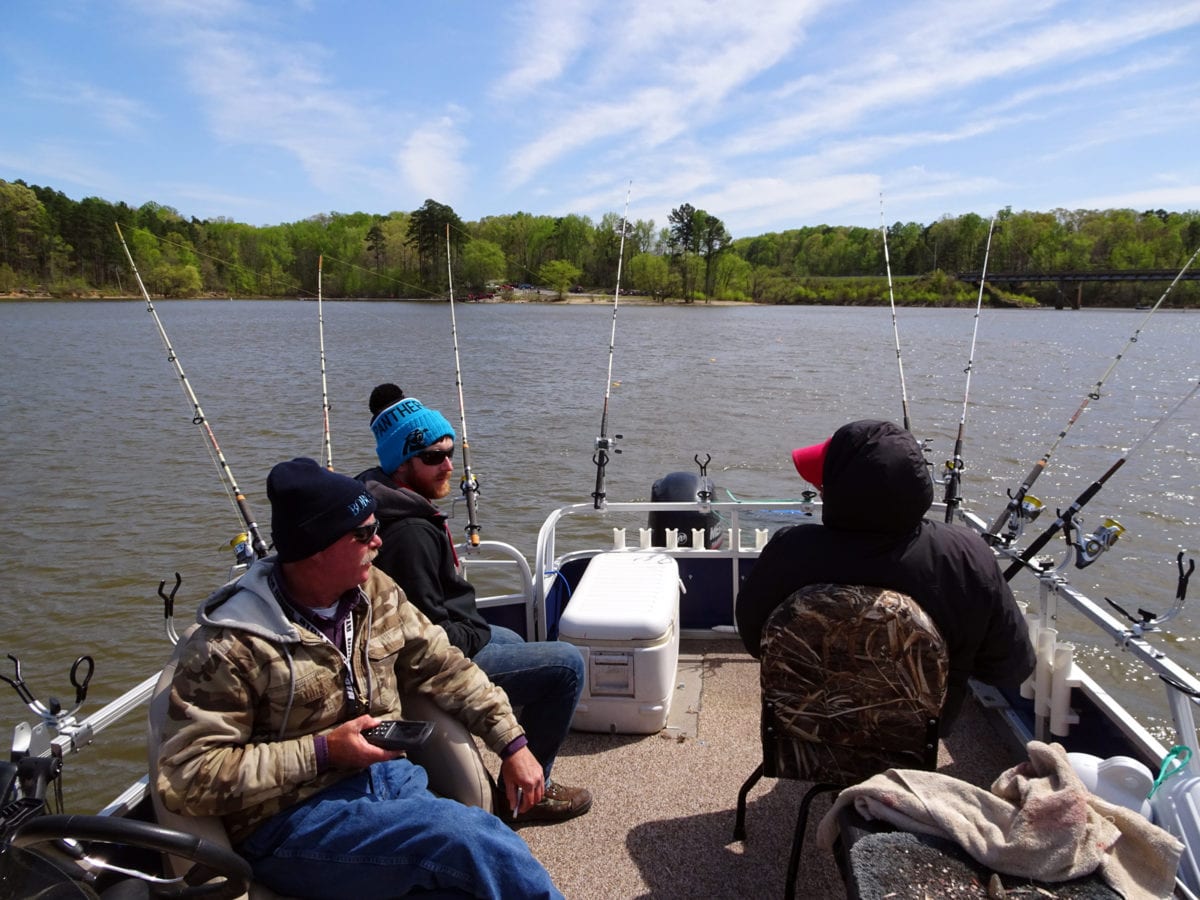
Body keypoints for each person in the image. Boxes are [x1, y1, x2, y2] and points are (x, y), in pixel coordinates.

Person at [155, 457, 563, 899]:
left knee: (465, 877)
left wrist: (512, 742)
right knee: (465, 839)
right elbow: (188, 777)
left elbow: (445, 665)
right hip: (292, 819)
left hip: (392, 781)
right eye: (364, 533)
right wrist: (324, 752)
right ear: (316, 548)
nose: (379, 542)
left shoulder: (375, 593)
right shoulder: (230, 647)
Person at [358, 389, 592, 823]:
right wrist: (477, 631)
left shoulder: (392, 502)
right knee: (566, 666)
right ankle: (527, 794)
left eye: (450, 452)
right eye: (434, 457)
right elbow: (429, 640)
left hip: (453, 632)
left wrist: (479, 628)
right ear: (401, 464)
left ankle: (512, 757)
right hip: (427, 664)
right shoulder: (408, 534)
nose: (449, 464)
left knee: (512, 636)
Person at [735, 419, 1035, 725]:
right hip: (917, 733)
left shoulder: (790, 550)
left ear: (836, 492)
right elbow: (1010, 668)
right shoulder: (967, 556)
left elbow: (753, 638)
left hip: (807, 725)